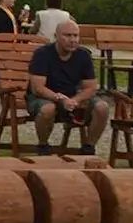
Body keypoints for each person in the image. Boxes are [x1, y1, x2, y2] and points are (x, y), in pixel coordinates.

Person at [27, 20, 110, 155]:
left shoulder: (83, 55)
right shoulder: (42, 54)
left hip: (73, 98)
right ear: (56, 36)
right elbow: (38, 88)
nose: (72, 40)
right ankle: (43, 145)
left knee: (102, 107)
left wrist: (75, 100)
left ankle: (88, 148)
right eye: (67, 35)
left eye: (75, 36)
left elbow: (91, 88)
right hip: (45, 97)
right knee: (48, 108)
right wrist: (60, 99)